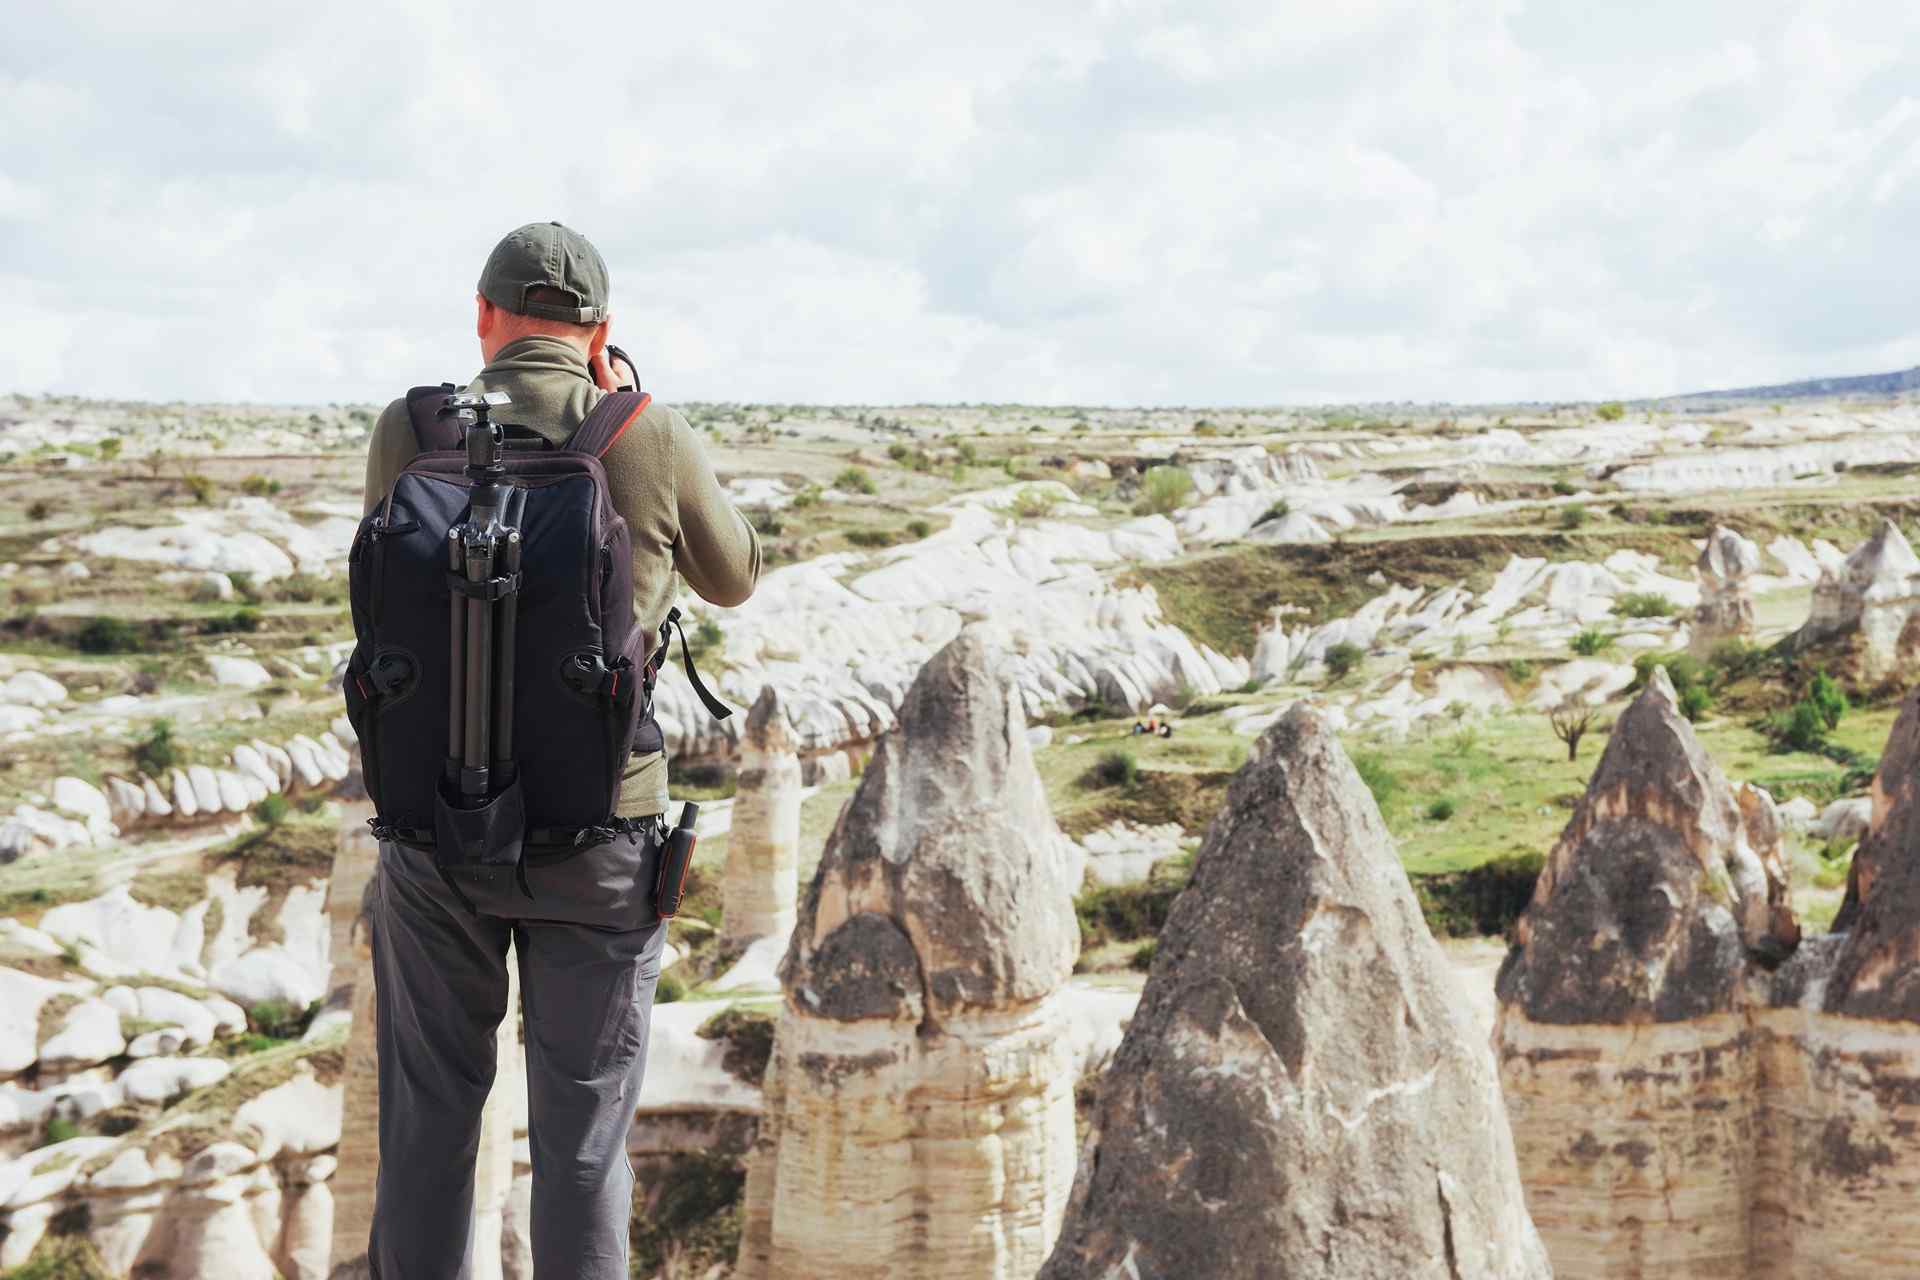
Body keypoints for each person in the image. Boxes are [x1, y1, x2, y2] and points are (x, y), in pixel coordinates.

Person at [358, 221, 761, 1279]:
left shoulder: (411, 428)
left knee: (427, 1133)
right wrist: (630, 408)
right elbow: (734, 575)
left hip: (433, 831)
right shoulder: (645, 432)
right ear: (599, 330)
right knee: (582, 1145)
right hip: (603, 832)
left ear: (483, 317)